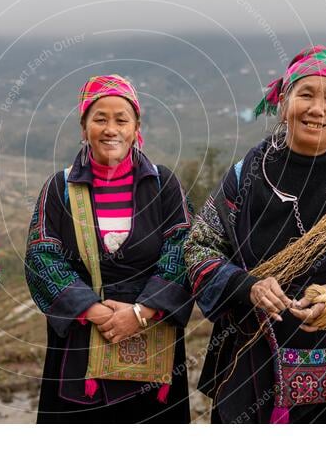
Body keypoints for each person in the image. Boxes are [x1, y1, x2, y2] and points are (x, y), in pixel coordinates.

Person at [184, 45, 326, 424]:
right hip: (246, 373)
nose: (317, 109)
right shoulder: (245, 178)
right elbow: (198, 250)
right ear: (283, 102)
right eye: (305, 94)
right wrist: (247, 287)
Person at [25, 74, 193, 423]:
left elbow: (183, 249)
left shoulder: (163, 185)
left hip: (152, 341)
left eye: (121, 119)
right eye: (99, 119)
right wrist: (97, 312)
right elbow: (42, 257)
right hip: (80, 344)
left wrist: (140, 312)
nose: (110, 129)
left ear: (136, 128)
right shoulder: (59, 188)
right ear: (84, 127)